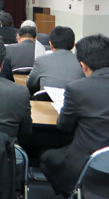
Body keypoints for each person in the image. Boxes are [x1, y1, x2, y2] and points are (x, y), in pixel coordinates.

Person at [41, 35, 109, 197]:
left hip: (88, 163)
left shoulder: (77, 88)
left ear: (83, 66)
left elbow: (64, 126)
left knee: (47, 157)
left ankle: (70, 192)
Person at [27, 26, 84, 95]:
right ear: (73, 44)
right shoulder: (82, 62)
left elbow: (30, 84)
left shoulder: (41, 60)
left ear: (50, 44)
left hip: (46, 103)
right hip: (74, 102)